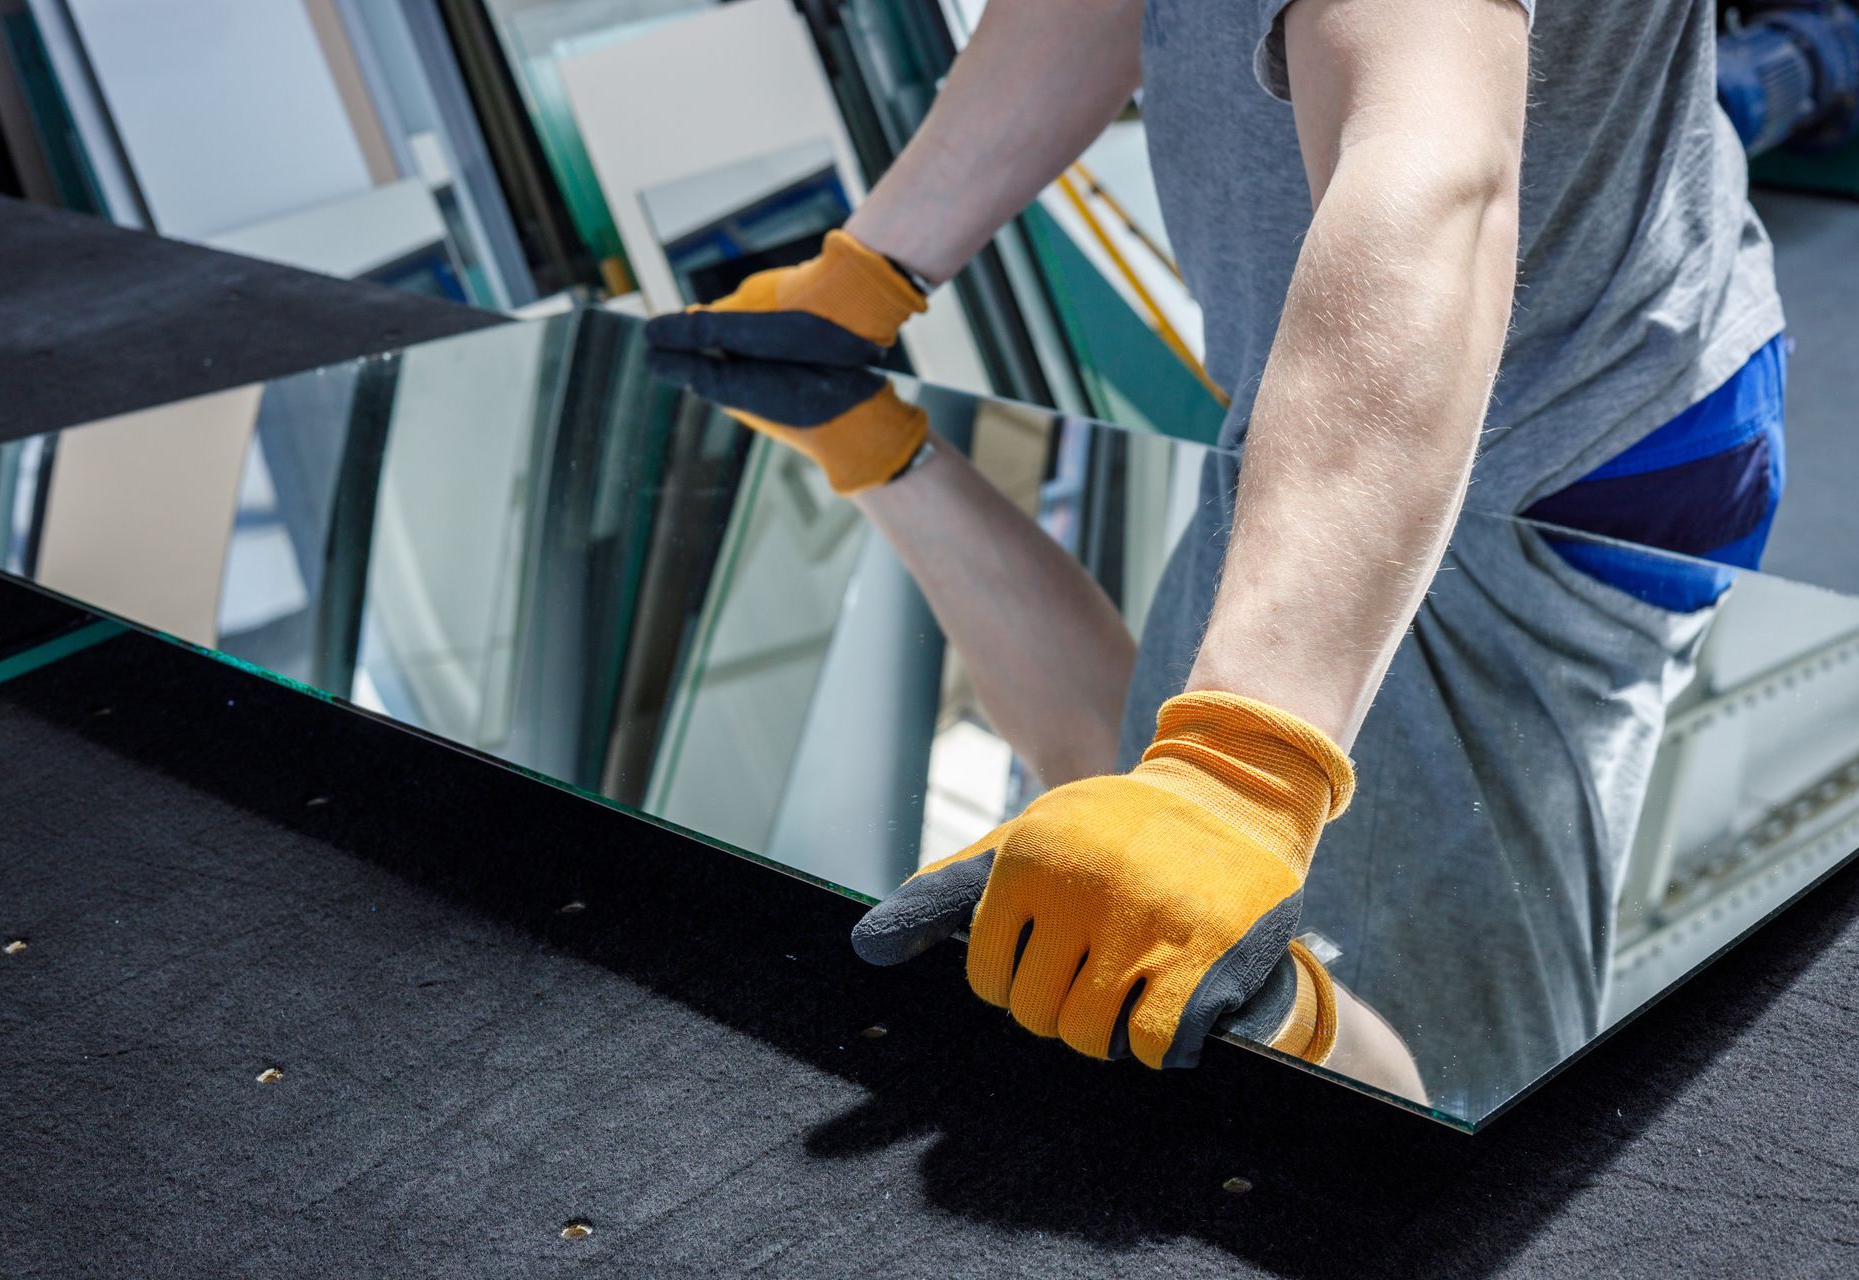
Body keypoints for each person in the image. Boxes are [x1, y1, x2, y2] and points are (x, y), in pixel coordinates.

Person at [646, 0, 1785, 1080]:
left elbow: (1440, 175)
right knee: (1137, 845)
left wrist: (1244, 770)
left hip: (1526, 438)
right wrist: (875, 267)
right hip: (1362, 380)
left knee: (1415, 1095)